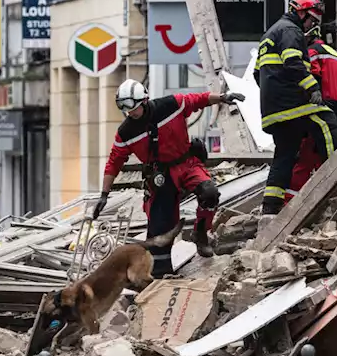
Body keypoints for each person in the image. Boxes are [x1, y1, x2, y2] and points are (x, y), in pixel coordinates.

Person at [93, 79, 245, 277]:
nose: (130, 113)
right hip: (160, 175)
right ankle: (161, 273)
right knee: (160, 228)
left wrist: (223, 98)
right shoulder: (126, 132)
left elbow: (198, 100)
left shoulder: (171, 105)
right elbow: (114, 162)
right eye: (125, 109)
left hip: (187, 164)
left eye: (133, 108)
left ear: (144, 101)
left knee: (209, 193)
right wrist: (104, 194)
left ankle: (201, 233)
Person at [255, 0, 337, 215]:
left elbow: (257, 74)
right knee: (327, 121)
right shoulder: (290, 31)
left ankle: (270, 207)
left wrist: (274, 95)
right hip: (292, 103)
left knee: (284, 154)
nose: (312, 25)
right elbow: (293, 62)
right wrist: (312, 88)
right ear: (301, 12)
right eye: (311, 19)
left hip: (273, 109)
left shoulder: (270, 33)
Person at [288, 24, 337, 202]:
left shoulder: (312, 52)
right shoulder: (335, 53)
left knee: (307, 155)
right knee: (333, 155)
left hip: (327, 108)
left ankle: (290, 201)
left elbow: (311, 79)